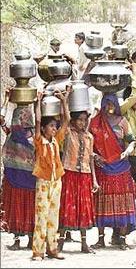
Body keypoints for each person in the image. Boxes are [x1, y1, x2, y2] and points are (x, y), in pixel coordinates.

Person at [88, 64, 136, 250]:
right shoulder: (94, 122)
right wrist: (94, 155)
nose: (109, 107)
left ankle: (122, 238)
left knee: (122, 201)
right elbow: (88, 143)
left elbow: (132, 140)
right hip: (103, 167)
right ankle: (101, 238)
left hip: (121, 166)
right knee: (103, 202)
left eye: (112, 103)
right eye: (106, 104)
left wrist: (128, 150)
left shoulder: (123, 121)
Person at [31, 88, 71, 261]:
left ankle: (52, 249)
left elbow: (67, 119)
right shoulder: (40, 141)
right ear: (45, 128)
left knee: (53, 215)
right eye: (52, 126)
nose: (55, 129)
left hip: (56, 180)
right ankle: (38, 251)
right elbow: (38, 120)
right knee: (42, 215)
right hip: (43, 180)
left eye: (55, 126)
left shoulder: (56, 139)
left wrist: (64, 100)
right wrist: (38, 102)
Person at [57, 110, 100, 253]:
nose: (83, 123)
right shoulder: (68, 133)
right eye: (80, 120)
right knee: (66, 206)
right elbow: (65, 118)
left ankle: (84, 243)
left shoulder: (89, 137)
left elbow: (90, 159)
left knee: (84, 208)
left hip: (85, 175)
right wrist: (65, 100)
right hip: (69, 173)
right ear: (74, 121)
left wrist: (94, 180)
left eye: (85, 120)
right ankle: (60, 241)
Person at [0, 89, 35, 251]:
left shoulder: (34, 137)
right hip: (14, 176)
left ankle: (29, 238)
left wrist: (36, 103)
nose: (17, 122)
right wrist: (7, 100)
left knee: (28, 206)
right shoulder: (12, 134)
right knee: (16, 206)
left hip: (29, 177)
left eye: (21, 118)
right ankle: (16, 238)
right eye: (16, 118)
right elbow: (0, 119)